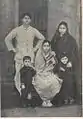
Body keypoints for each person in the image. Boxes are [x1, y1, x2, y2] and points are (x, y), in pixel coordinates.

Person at [5, 13, 45, 94]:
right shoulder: (17, 30)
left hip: (30, 55)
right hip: (20, 55)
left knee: (29, 75)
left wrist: (35, 48)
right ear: (21, 20)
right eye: (25, 18)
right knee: (18, 74)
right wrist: (12, 49)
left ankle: (29, 93)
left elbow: (42, 38)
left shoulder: (33, 30)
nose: (26, 20)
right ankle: (20, 92)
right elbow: (7, 39)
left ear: (30, 20)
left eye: (28, 18)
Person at [51, 21, 79, 105]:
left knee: (68, 77)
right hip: (58, 62)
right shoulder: (55, 38)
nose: (61, 30)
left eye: (63, 28)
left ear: (66, 29)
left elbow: (74, 52)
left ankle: (69, 97)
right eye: (60, 28)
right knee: (59, 75)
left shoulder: (71, 39)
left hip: (68, 63)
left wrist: (70, 61)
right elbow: (52, 49)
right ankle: (61, 98)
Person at [32, 40, 62, 107]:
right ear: (42, 47)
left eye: (48, 46)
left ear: (50, 47)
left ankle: (48, 100)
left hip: (49, 72)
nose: (46, 48)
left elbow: (54, 65)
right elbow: (38, 67)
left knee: (54, 81)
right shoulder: (39, 55)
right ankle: (44, 100)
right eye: (44, 46)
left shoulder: (52, 54)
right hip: (40, 73)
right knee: (42, 83)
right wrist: (43, 71)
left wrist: (53, 61)